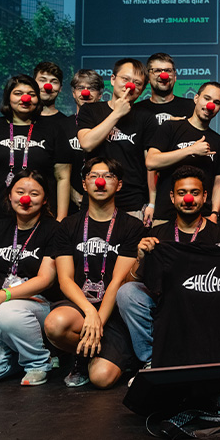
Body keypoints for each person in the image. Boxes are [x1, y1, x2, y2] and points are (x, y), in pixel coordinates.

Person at [0, 76, 72, 316]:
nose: (25, 98)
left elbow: (63, 177)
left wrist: (60, 219)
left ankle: (32, 326)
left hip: (34, 219)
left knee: (33, 270)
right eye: (18, 93)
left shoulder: (52, 129)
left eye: (31, 94)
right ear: (8, 97)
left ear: (38, 99)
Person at [117, 165, 220, 371]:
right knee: (126, 293)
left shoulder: (219, 235)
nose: (188, 199)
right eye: (182, 193)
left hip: (204, 304)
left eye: (194, 193)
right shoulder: (157, 233)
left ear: (205, 196)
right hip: (166, 302)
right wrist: (140, 258)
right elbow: (131, 282)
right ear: (172, 197)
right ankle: (153, 361)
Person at [44, 157, 146, 388]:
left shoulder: (132, 227)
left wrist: (98, 321)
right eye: (94, 176)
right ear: (84, 183)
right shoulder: (68, 226)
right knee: (55, 324)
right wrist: (90, 312)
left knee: (101, 378)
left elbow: (118, 282)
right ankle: (83, 356)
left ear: (119, 184)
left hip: (114, 313)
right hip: (81, 308)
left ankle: (114, 354)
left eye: (108, 176)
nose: (101, 182)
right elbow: (65, 280)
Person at [0, 170, 61, 386]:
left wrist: (2, 296)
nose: (26, 198)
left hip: (37, 305)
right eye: (20, 192)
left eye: (34, 194)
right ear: (10, 195)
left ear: (45, 200)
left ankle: (38, 362)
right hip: (0, 306)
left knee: (7, 312)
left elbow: (46, 278)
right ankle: (25, 355)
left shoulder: (53, 230)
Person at [77, 58, 158, 225]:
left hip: (132, 200)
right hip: (94, 198)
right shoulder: (90, 110)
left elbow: (150, 164)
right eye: (125, 79)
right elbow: (87, 143)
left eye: (137, 83)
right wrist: (117, 114)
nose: (130, 86)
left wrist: (152, 202)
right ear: (113, 79)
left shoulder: (146, 118)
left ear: (142, 89)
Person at [146, 81, 220, 224]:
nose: (210, 105)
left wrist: (214, 213)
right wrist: (191, 150)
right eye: (207, 98)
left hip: (201, 218)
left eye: (216, 102)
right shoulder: (171, 127)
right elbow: (151, 162)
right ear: (196, 98)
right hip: (166, 216)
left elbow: (219, 183)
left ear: (219, 108)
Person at [62, 70, 105, 214]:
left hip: (103, 199)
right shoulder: (62, 125)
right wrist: (73, 194)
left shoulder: (108, 125)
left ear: (100, 95)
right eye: (81, 88)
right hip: (69, 203)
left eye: (92, 88)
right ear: (73, 93)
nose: (85, 93)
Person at [135, 52, 195, 125]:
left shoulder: (192, 106)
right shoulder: (136, 110)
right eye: (157, 71)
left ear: (175, 77)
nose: (163, 75)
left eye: (168, 71)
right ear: (148, 77)